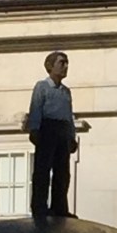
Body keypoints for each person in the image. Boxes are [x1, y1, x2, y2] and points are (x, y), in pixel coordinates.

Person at [26, 51, 78, 218]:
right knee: (43, 169)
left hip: (62, 130)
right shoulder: (42, 86)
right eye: (61, 63)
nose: (65, 66)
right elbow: (35, 108)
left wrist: (71, 135)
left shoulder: (66, 92)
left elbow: (69, 115)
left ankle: (60, 206)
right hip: (47, 128)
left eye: (66, 63)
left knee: (62, 171)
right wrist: (34, 129)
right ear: (50, 66)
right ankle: (39, 206)